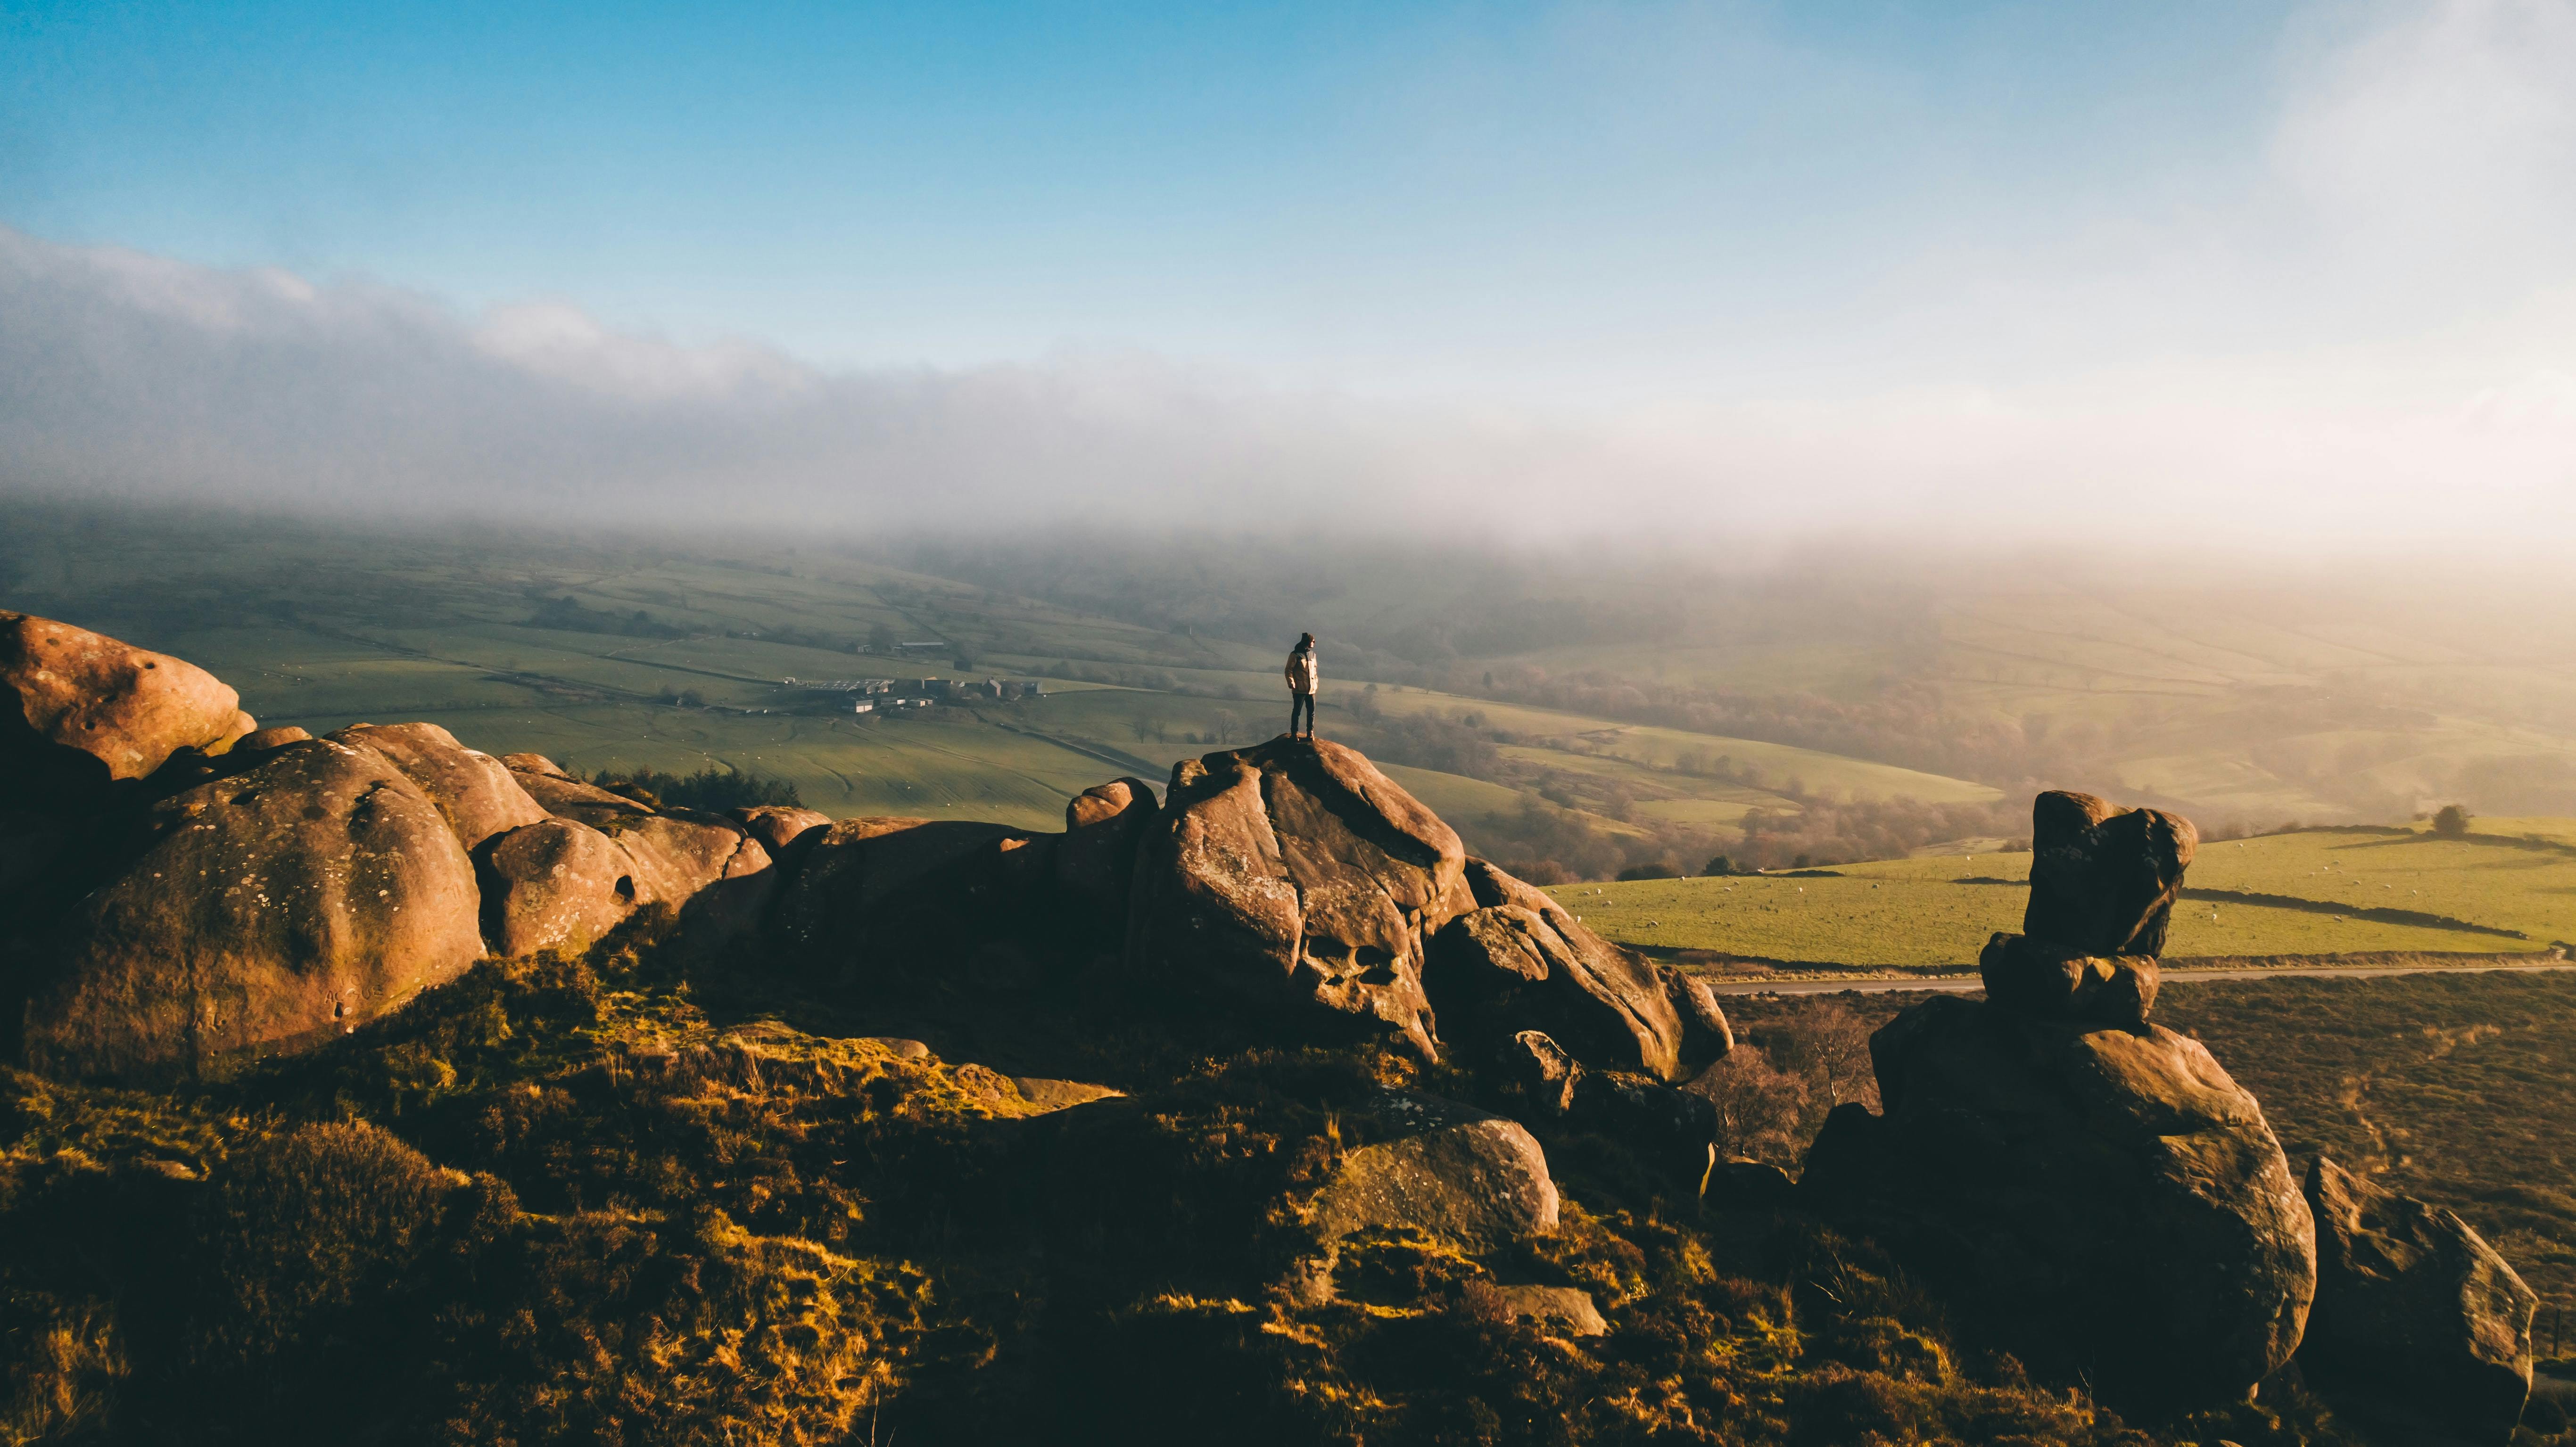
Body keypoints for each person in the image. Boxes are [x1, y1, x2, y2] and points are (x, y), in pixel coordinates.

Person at [1285, 632, 1319, 740]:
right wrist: (1291, 682)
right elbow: (1288, 670)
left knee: (1311, 712)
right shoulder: (1295, 655)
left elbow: (1315, 671)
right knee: (1297, 712)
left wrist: (1316, 683)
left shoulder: (1313, 655)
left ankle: (1310, 733)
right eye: (1312, 641)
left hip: (1311, 689)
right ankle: (1294, 733)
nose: (1314, 642)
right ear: (1307, 642)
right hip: (1299, 689)